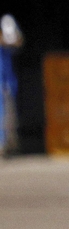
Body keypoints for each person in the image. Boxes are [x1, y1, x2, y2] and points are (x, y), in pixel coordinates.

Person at [0, 14, 23, 156]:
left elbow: (19, 42)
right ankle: (2, 142)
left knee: (8, 114)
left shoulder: (8, 46)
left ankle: (6, 143)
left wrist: (11, 39)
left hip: (7, 82)